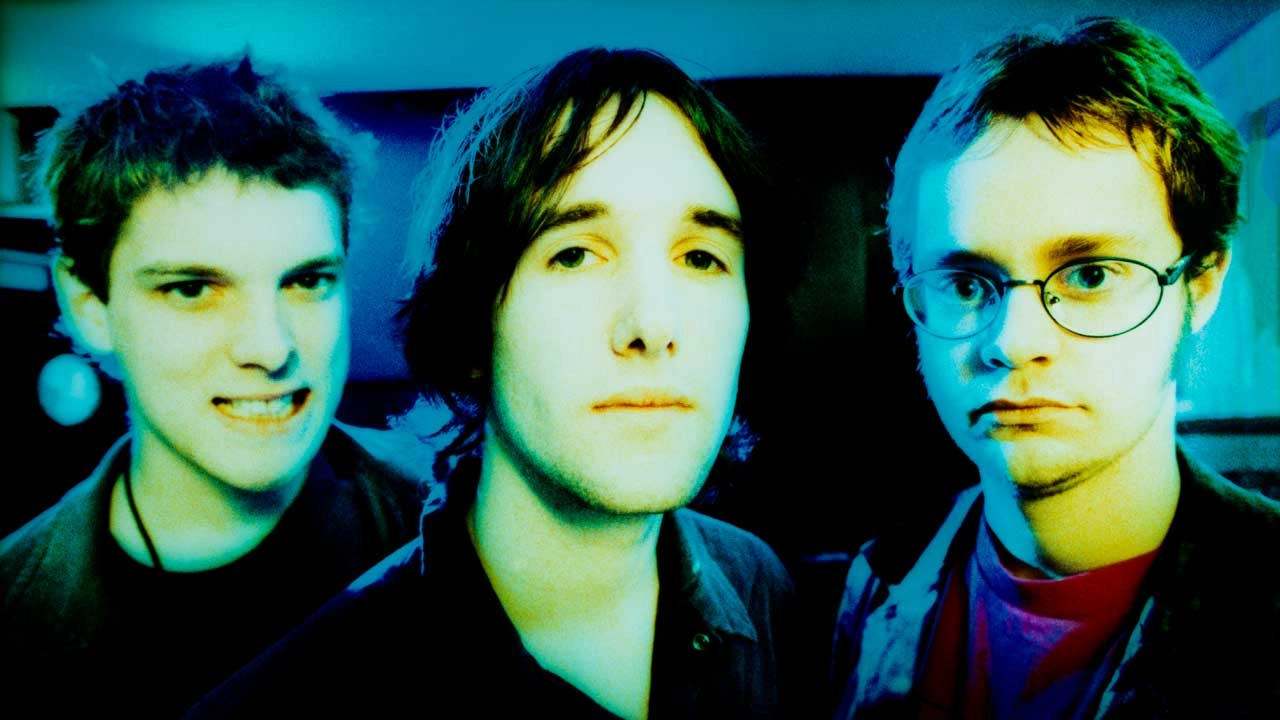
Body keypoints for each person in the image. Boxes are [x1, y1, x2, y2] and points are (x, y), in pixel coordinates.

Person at [188, 47, 803, 719]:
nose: (653, 325)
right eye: (575, 255)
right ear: (470, 325)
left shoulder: (760, 584)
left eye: (701, 258)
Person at [830, 15, 1280, 719]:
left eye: (1091, 275)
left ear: (1202, 283)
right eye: (966, 284)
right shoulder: (878, 577)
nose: (1013, 341)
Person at [0, 56, 429, 718]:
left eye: (307, 281)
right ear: (90, 304)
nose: (270, 347)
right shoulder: (13, 612)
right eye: (193, 289)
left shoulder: (459, 520)